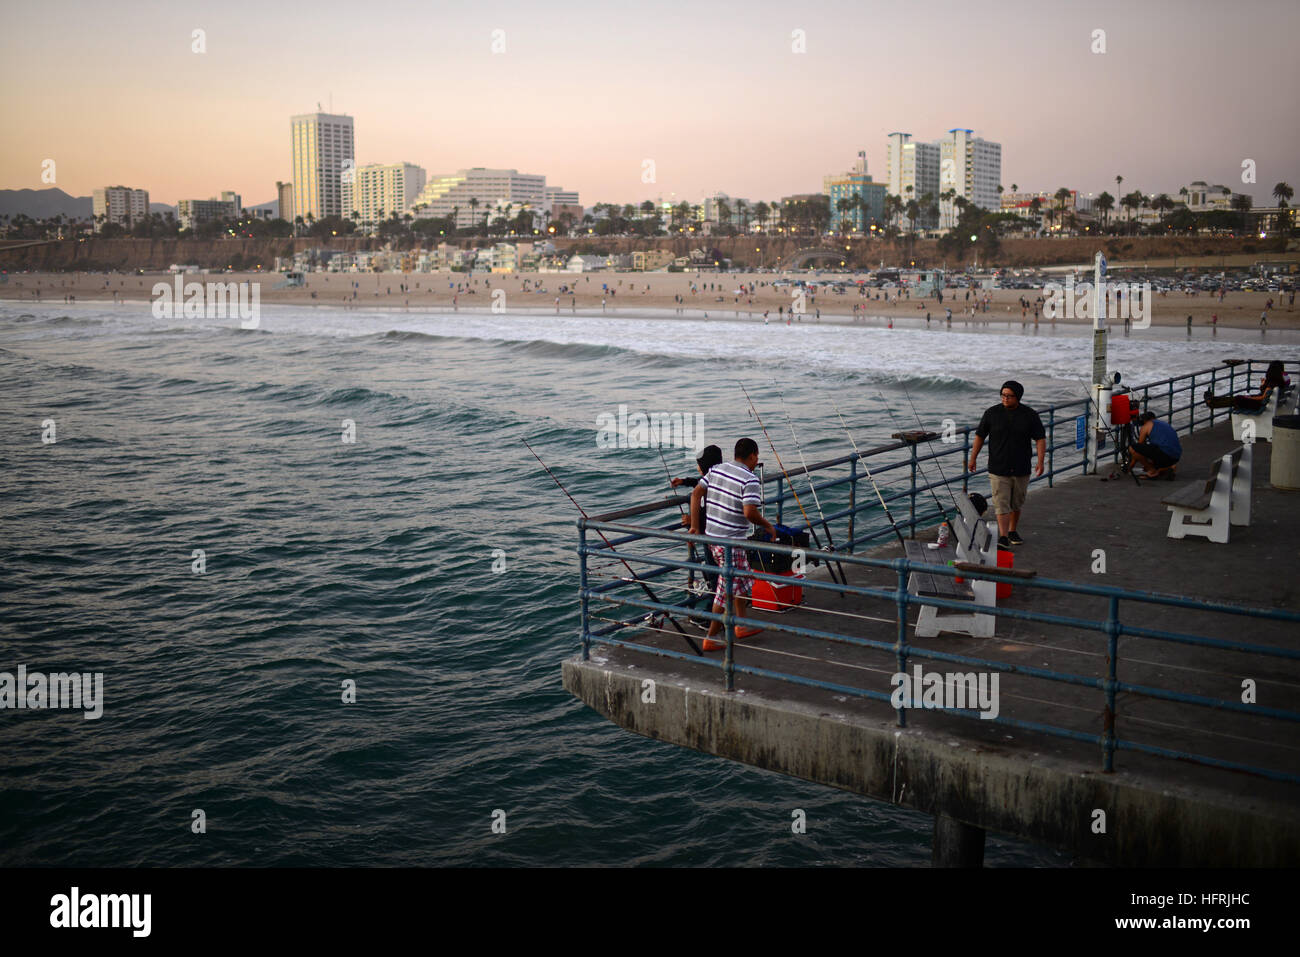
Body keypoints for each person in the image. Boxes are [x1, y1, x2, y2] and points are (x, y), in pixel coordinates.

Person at [689, 438, 776, 651]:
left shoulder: (717, 469)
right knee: (726, 587)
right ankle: (711, 637)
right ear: (753, 455)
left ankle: (741, 626)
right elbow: (749, 512)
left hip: (712, 537)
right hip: (731, 541)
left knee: (740, 577)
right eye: (757, 457)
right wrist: (768, 525)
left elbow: (696, 493)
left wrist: (694, 526)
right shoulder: (750, 479)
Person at [968, 380, 1046, 549]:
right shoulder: (991, 413)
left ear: (1017, 397)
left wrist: (1040, 461)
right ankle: (1003, 536)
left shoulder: (1029, 415)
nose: (1005, 399)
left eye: (1009, 396)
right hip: (998, 466)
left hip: (1021, 466)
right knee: (1001, 502)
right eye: (1003, 395)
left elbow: (1040, 438)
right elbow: (980, 436)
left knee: (1016, 502)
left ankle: (1012, 531)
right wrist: (973, 457)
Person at [671, 445, 724, 616]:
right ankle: (719, 611)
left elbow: (710, 513)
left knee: (714, 575)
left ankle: (713, 612)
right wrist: (684, 481)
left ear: (707, 466)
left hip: (711, 538)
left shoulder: (710, 487)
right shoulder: (718, 479)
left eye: (699, 465)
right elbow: (699, 483)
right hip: (717, 536)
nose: (697, 468)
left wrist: (692, 522)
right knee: (716, 574)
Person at [1205, 360, 1287, 410]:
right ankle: (1213, 400)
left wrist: (1249, 397)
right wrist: (1262, 384)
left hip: (1259, 404)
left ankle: (1212, 403)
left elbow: (1263, 397)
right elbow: (1265, 393)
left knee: (1238, 399)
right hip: (1265, 403)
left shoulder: (1272, 383)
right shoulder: (1280, 381)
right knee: (1237, 398)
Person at [1129, 412, 1181, 479]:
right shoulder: (1163, 423)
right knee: (1154, 452)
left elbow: (1138, 449)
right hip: (1175, 457)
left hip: (1165, 454)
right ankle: (1167, 468)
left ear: (1143, 420)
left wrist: (1131, 466)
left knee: (1132, 448)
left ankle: (1152, 471)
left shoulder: (1146, 426)